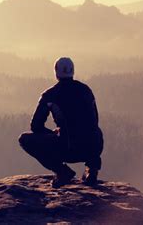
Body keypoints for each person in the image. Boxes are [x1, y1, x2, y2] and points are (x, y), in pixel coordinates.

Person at [19, 57, 103, 187]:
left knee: (24, 139)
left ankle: (62, 171)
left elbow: (35, 126)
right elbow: (94, 120)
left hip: (68, 148)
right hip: (91, 147)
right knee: (95, 131)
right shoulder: (86, 91)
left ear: (56, 72)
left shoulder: (50, 95)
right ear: (72, 71)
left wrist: (54, 134)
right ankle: (91, 170)